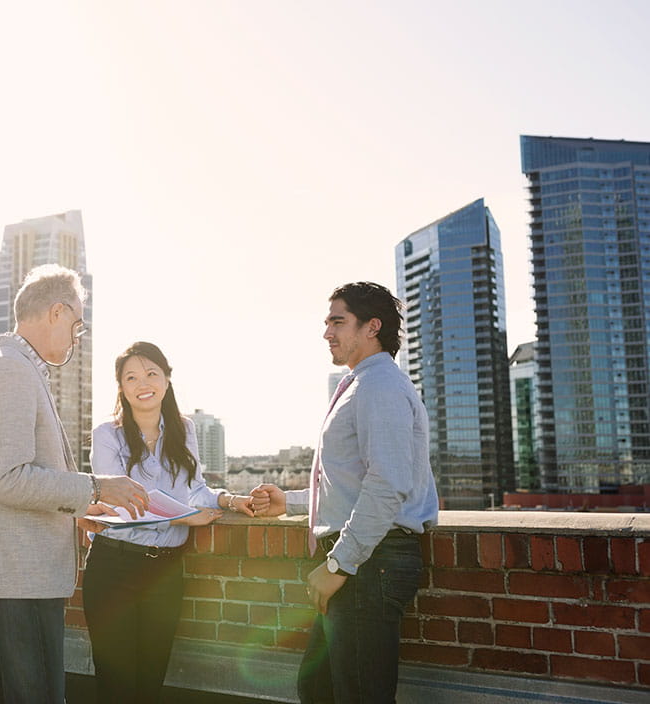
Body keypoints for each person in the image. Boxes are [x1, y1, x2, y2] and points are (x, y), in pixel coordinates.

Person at [0, 264, 150, 704]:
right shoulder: (10, 370)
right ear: (57, 312)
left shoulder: (10, 365)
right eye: (76, 324)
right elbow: (7, 478)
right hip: (22, 577)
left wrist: (77, 510)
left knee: (0, 694)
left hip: (14, 575)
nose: (76, 336)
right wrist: (96, 489)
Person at [250, 282, 439, 704]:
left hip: (369, 563)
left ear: (372, 326)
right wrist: (293, 501)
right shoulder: (363, 382)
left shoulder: (379, 386)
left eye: (338, 321)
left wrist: (339, 565)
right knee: (319, 689)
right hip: (363, 560)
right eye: (327, 322)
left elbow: (388, 486)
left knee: (356, 695)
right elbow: (353, 482)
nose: (327, 333)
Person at [82, 341, 255, 703]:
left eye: (151, 373)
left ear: (166, 378)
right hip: (115, 566)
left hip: (165, 571)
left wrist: (228, 499)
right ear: (121, 387)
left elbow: (196, 490)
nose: (142, 383)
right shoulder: (106, 435)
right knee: (116, 685)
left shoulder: (184, 430)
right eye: (131, 377)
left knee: (150, 682)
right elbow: (122, 506)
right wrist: (187, 517)